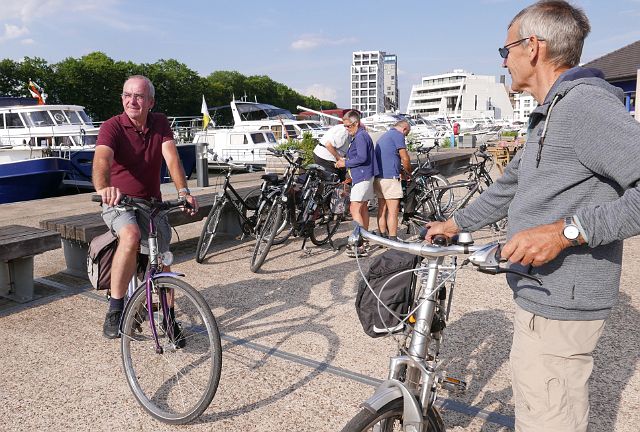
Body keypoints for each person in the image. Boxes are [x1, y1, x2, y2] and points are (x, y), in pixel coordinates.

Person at [425, 1, 640, 431]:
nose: (503, 61)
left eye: (505, 50)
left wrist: (566, 232)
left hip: (562, 304)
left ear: (533, 47)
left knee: (549, 418)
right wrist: (455, 225)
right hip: (540, 295)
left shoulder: (584, 108)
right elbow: (509, 186)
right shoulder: (549, 116)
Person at [93, 75, 198, 340]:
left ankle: (169, 319)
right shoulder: (112, 126)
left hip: (151, 203)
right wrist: (105, 188)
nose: (132, 101)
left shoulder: (160, 122)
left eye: (139, 96)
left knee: (162, 261)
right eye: (127, 95)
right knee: (130, 235)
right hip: (119, 201)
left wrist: (183, 191)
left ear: (150, 101)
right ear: (122, 98)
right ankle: (115, 309)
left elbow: (172, 158)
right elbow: (102, 159)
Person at [336, 110, 378, 257]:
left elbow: (361, 157)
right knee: (363, 208)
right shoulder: (362, 135)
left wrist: (345, 163)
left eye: (348, 126)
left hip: (362, 177)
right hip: (366, 176)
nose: (346, 129)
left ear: (356, 123)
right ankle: (364, 240)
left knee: (355, 208)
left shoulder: (360, 137)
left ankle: (359, 244)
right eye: (345, 126)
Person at [373, 120, 411, 240]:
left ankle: (382, 236)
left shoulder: (385, 136)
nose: (405, 136)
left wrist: (399, 169)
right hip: (390, 179)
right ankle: (393, 239)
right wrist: (409, 172)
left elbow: (389, 157)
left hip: (378, 177)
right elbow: (404, 158)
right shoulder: (398, 135)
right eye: (407, 133)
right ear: (404, 129)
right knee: (393, 211)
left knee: (382, 209)